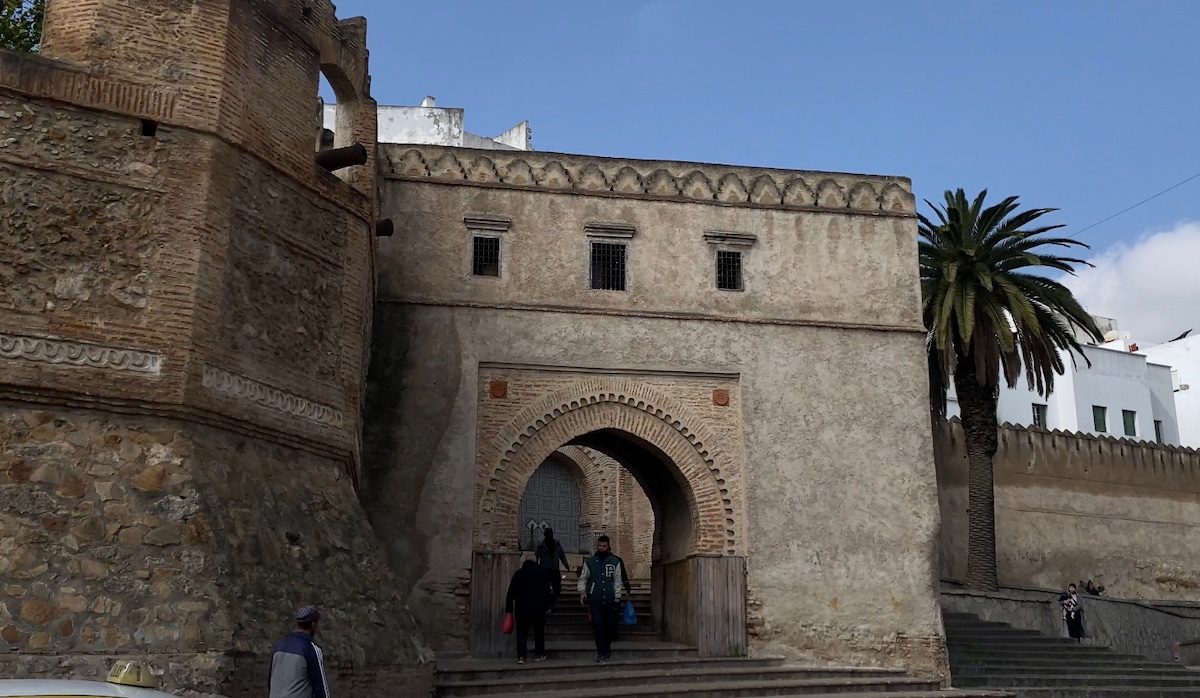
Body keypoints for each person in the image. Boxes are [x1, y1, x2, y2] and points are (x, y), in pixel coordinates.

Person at [578, 535, 627, 663]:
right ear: (597, 546)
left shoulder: (615, 562)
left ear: (608, 546)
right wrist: (582, 591)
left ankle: (607, 647)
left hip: (610, 600)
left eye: (604, 546)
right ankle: (601, 652)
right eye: (600, 546)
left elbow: (617, 580)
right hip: (595, 599)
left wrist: (617, 597)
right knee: (598, 624)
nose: (602, 548)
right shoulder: (590, 562)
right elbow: (583, 578)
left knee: (610, 627)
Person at [269, 606, 331, 698]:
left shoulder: (279, 646)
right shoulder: (311, 648)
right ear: (313, 624)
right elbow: (320, 687)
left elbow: (270, 682)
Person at [505, 555, 552, 664]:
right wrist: (548, 606)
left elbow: (510, 593)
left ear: (525, 562)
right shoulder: (542, 573)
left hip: (521, 609)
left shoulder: (518, 574)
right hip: (538, 609)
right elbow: (547, 592)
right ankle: (539, 653)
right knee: (538, 632)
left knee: (521, 633)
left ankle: (521, 656)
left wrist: (509, 610)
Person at [535, 528, 570, 613]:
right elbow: (536, 556)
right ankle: (547, 605)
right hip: (545, 570)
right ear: (545, 535)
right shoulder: (541, 545)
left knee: (557, 588)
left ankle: (551, 603)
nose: (550, 535)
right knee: (545, 589)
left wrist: (566, 565)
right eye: (548, 533)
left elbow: (562, 555)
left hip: (554, 569)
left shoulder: (556, 544)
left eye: (551, 533)